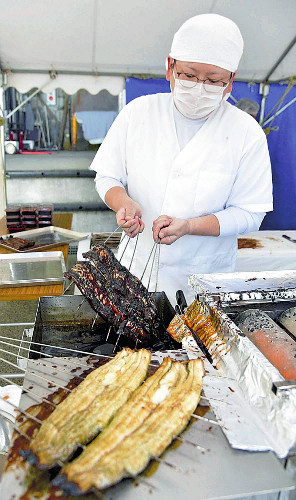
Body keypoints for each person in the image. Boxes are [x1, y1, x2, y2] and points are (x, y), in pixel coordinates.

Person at [90, 13, 273, 306]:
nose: (199, 88)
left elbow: (251, 213)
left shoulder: (246, 133)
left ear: (230, 82)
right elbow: (108, 176)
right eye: (189, 75)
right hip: (134, 275)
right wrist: (123, 202)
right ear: (169, 67)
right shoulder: (138, 114)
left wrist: (189, 225)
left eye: (213, 81)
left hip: (202, 282)